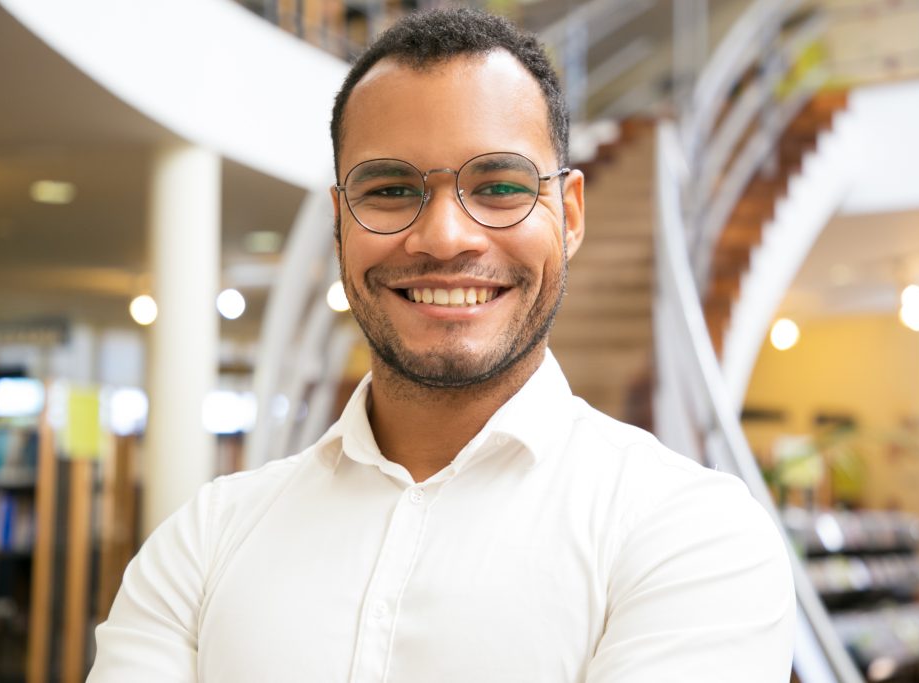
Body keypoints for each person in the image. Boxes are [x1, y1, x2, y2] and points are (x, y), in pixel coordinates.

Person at [88, 8, 795, 681]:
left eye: (500, 185)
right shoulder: (204, 539)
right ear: (339, 222)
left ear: (570, 214)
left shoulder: (691, 533)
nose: (445, 237)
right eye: (391, 190)